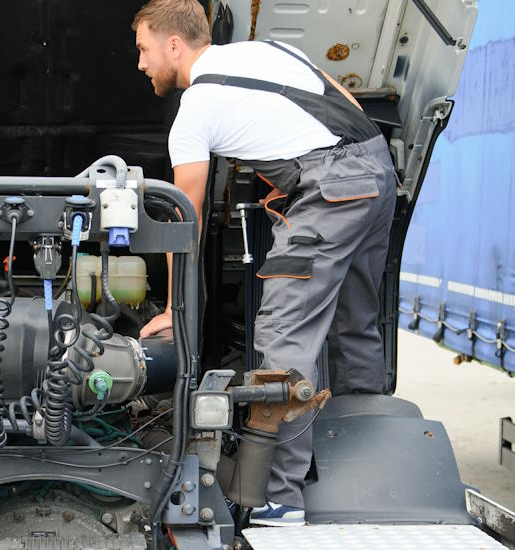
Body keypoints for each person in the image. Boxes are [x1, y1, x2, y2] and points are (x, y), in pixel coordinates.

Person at [134, 0, 397, 526]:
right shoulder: (265, 50)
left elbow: (185, 218)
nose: (140, 64)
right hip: (376, 171)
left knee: (283, 333)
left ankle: (279, 498)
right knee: (354, 324)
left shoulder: (196, 109)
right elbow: (342, 102)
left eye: (143, 49)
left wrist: (171, 307)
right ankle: (373, 470)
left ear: (173, 44)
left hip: (332, 192)